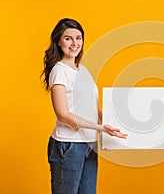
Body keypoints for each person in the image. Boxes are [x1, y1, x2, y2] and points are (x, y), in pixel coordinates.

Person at [41, 18, 127, 194]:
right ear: (58, 41)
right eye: (68, 38)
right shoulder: (59, 71)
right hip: (69, 145)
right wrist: (100, 127)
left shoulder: (83, 70)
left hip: (89, 144)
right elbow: (63, 115)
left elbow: (91, 107)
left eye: (78, 38)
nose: (74, 43)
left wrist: (107, 130)